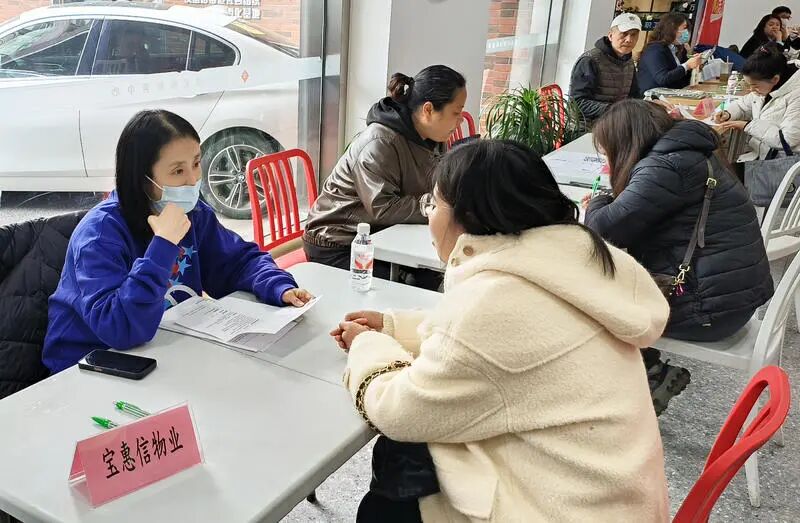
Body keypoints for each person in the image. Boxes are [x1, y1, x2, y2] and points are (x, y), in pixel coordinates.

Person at [332, 139, 671, 522]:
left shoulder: (494, 303)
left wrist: (367, 344)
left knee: (400, 465)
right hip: (613, 497)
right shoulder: (577, 257)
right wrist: (394, 326)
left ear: (468, 216)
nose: (428, 216)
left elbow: (399, 411)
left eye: (434, 203)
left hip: (556, 507)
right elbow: (502, 341)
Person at [43, 110, 313, 373]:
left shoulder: (193, 214)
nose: (193, 180)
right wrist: (163, 245)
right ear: (143, 179)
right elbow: (120, 328)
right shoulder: (100, 234)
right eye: (177, 171)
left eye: (196, 163)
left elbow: (237, 261)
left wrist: (277, 286)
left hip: (162, 349)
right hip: (90, 366)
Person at [586, 100, 773, 415]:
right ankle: (647, 370)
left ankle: (642, 378)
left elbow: (602, 229)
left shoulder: (665, 168)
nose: (608, 162)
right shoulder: (688, 152)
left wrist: (598, 199)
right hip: (733, 297)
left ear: (626, 142)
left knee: (587, 305)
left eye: (607, 153)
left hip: (708, 310)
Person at [303, 65, 466, 285]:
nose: (460, 120)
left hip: (384, 234)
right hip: (338, 242)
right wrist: (434, 205)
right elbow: (383, 207)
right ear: (428, 110)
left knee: (441, 273)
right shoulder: (380, 142)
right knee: (420, 283)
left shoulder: (433, 138)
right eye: (456, 112)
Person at [715, 44, 800, 161]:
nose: (751, 90)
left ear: (775, 79)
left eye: (755, 86)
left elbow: (787, 140)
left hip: (783, 163)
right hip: (761, 156)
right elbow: (743, 105)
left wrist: (748, 126)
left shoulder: (796, 95)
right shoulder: (765, 88)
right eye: (749, 85)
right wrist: (727, 113)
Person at [568, 13, 642, 125]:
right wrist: (614, 110)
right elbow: (577, 103)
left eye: (634, 35)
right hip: (586, 127)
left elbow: (634, 96)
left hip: (615, 123)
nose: (629, 39)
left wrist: (651, 104)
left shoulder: (629, 62)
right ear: (610, 35)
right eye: (624, 34)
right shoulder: (590, 60)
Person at [638, 13, 704, 93]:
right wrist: (687, 65)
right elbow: (663, 79)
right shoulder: (654, 49)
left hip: (672, 94)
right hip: (654, 97)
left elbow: (680, 78)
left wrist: (694, 66)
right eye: (684, 28)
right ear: (671, 29)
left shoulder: (675, 49)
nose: (686, 32)